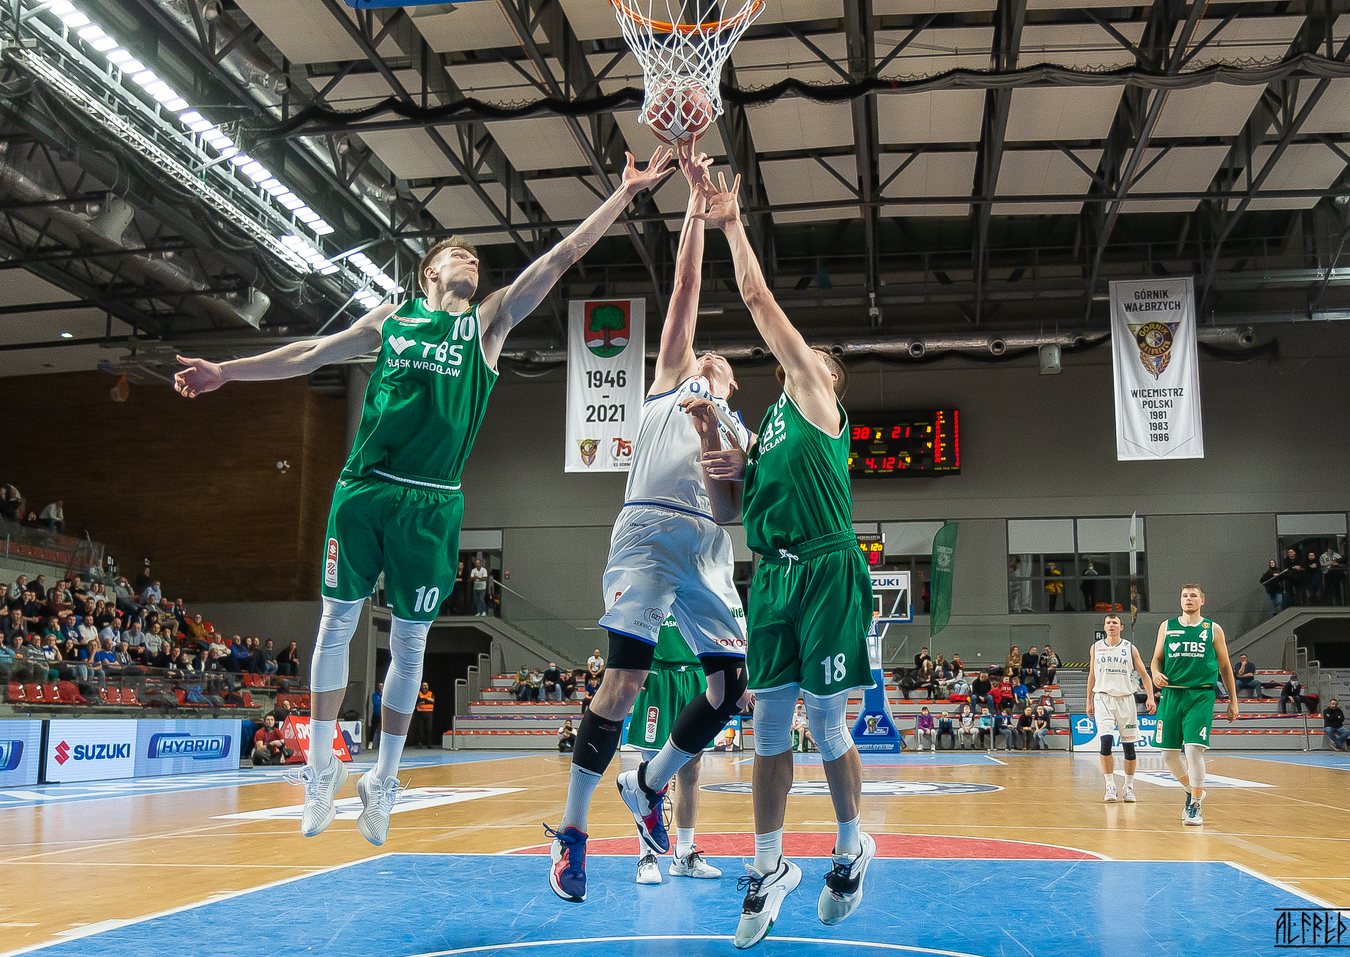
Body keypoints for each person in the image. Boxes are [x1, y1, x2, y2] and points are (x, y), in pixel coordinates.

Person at [177, 145, 674, 849]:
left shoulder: (487, 324)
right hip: (364, 487)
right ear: (429, 272)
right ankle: (320, 768)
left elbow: (558, 260)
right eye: (457, 255)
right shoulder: (390, 320)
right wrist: (227, 372)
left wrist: (623, 195)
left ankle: (383, 778)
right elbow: (309, 354)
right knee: (337, 623)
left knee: (410, 642)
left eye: (476, 259)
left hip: (434, 501)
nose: (472, 261)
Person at [544, 149, 751, 906]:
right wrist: (694, 207)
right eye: (701, 353)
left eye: (718, 361)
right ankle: (573, 831)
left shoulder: (741, 432)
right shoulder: (668, 384)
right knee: (625, 678)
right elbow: (686, 291)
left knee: (731, 684)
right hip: (648, 531)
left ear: (733, 383)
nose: (706, 356)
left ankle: (649, 783)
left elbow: (732, 513)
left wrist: (714, 437)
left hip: (708, 545)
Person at [679, 168, 875, 947]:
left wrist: (730, 221)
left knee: (824, 721)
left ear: (830, 381)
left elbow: (759, 300)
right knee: (766, 728)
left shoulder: (818, 405)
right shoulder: (766, 437)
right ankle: (767, 867)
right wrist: (712, 443)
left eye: (817, 356)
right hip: (772, 579)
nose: (806, 356)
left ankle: (852, 846)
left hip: (827, 569)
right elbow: (728, 515)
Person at [623, 616, 726, 886]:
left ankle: (684, 854)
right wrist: (630, 662)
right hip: (658, 675)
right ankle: (647, 856)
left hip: (698, 674)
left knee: (692, 770)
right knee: (651, 775)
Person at [1150, 584, 1239, 827]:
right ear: (1180, 601)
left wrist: (1233, 700)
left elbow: (1225, 667)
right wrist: (1155, 673)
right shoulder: (1167, 626)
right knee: (1168, 754)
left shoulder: (1213, 629)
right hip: (1171, 694)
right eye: (1184, 596)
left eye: (1193, 596)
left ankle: (1196, 805)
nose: (1188, 599)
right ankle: (1192, 790)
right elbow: (1156, 659)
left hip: (1200, 694)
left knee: (1193, 749)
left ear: (1202, 601)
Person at [1086, 613, 1157, 803]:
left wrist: (1150, 697)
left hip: (1126, 699)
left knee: (1129, 747)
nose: (1111, 625)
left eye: (1115, 623)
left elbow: (1145, 675)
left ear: (1121, 627)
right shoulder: (1096, 647)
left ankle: (1128, 786)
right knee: (1106, 742)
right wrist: (1089, 701)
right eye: (1108, 623)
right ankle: (1110, 785)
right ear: (1104, 627)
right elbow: (1092, 675)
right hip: (1103, 699)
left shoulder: (1129, 648)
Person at [414, 682, 434, 748]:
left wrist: (423, 700)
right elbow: (417, 701)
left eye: (426, 685)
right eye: (424, 685)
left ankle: (429, 744)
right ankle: (419, 743)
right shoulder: (418, 693)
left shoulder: (430, 693)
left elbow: (432, 701)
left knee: (429, 729)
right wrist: (427, 700)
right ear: (421, 687)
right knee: (420, 729)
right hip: (420, 714)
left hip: (429, 714)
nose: (425, 687)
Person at [369, 682, 383, 750]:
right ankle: (370, 742)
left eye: (382, 686)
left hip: (383, 714)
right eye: (380, 686)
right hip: (376, 713)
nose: (381, 687)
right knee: (373, 728)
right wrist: (381, 703)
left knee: (383, 729)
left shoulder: (384, 694)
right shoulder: (375, 694)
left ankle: (382, 744)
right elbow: (375, 703)